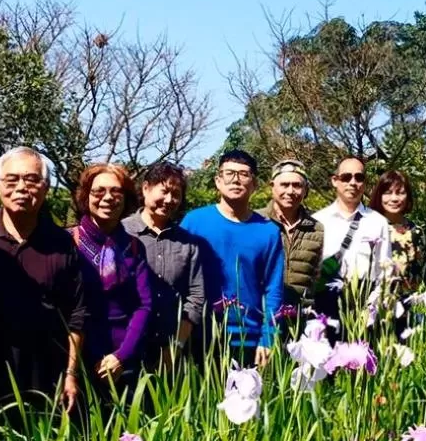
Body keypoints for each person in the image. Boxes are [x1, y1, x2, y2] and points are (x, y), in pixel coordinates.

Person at [0, 147, 87, 412]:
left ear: (46, 187)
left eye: (31, 180)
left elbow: (78, 312)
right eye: (11, 180)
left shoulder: (62, 243)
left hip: (45, 372)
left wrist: (71, 373)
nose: (21, 188)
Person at [181, 150, 284, 368]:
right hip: (199, 334)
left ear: (254, 184)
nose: (236, 179)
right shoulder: (194, 222)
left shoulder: (268, 231)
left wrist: (268, 337)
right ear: (218, 181)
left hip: (248, 338)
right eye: (229, 173)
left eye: (244, 174)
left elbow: (274, 289)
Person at [72, 163, 153, 410]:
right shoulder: (69, 242)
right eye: (99, 191)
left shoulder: (134, 247)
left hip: (125, 361)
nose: (108, 198)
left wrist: (120, 356)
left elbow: (144, 305)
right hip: (82, 361)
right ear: (86, 196)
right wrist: (95, 357)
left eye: (116, 191)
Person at [123, 162, 205, 369]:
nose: (169, 200)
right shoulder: (122, 232)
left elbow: (196, 297)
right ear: (146, 188)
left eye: (176, 194)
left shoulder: (188, 242)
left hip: (170, 350)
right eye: (165, 191)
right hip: (124, 347)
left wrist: (176, 344)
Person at [312, 155, 391, 321]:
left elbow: (384, 272)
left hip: (365, 305)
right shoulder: (318, 221)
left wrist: (372, 309)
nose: (352, 183)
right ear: (335, 180)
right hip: (326, 303)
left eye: (359, 177)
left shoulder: (378, 222)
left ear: (365, 182)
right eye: (346, 177)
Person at [259, 158, 324, 326]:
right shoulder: (256, 222)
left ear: (305, 190)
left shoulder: (317, 229)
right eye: (284, 184)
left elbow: (317, 280)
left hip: (301, 321)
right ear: (272, 186)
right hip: (262, 318)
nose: (290, 191)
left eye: (297, 185)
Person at [371, 169, 423, 296]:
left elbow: (417, 273)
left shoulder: (415, 231)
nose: (394, 198)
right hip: (372, 302)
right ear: (379, 196)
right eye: (388, 193)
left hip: (406, 302)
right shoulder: (369, 227)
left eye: (400, 193)